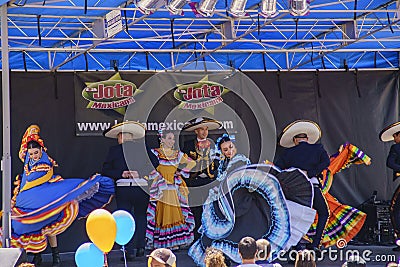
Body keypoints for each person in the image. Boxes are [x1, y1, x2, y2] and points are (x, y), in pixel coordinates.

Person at [0, 125, 114, 267]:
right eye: (31, 153)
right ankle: (38, 256)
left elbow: (33, 181)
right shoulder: (28, 165)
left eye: (36, 153)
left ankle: (56, 257)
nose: (34, 156)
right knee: (34, 227)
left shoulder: (44, 164)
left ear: (41, 151)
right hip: (30, 204)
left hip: (45, 199)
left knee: (48, 225)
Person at [189, 134, 293, 266]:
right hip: (230, 201)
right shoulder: (224, 163)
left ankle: (247, 257)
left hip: (242, 201)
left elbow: (238, 180)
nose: (229, 151)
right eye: (225, 150)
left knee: (242, 230)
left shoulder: (240, 161)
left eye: (230, 147)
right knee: (225, 233)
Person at [102, 121, 158, 260]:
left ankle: (129, 250)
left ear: (122, 136)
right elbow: (155, 163)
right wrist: (139, 172)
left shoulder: (115, 150)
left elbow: (106, 170)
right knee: (140, 216)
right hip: (140, 187)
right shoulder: (142, 148)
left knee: (125, 217)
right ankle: (140, 248)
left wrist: (122, 173)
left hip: (124, 188)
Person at [275, 120, 330, 252]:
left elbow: (278, 169)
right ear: (307, 139)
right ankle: (315, 244)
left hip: (295, 190)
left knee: (294, 217)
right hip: (313, 186)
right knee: (323, 213)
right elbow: (326, 162)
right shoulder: (318, 148)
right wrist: (311, 172)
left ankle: (296, 245)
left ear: (295, 140)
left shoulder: (288, 153)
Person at [146, 130, 196, 250]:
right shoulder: (155, 153)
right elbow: (147, 166)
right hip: (160, 188)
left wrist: (181, 172)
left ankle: (175, 241)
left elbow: (192, 163)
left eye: (173, 139)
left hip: (173, 187)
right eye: (169, 138)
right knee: (161, 214)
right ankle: (163, 243)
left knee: (174, 213)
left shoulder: (177, 154)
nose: (172, 141)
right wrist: (156, 177)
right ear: (161, 139)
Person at [182, 117, 222, 241]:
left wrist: (214, 171)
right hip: (195, 182)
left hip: (210, 182)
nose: (205, 132)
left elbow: (218, 161)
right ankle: (197, 236)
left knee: (210, 208)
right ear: (196, 131)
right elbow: (184, 162)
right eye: (201, 129)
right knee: (196, 209)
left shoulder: (213, 144)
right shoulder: (188, 144)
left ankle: (210, 235)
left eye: (206, 129)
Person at [380, 122, 400, 251]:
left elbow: (390, 163)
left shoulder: (396, 148)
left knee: (395, 208)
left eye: (395, 136)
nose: (394, 139)